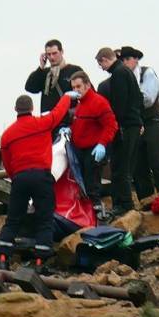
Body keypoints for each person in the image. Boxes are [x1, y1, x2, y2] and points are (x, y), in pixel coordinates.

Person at [0, 90, 80, 271]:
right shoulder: (42, 123)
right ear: (32, 108)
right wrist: (66, 97)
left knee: (13, 220)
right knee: (44, 219)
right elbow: (58, 112)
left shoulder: (7, 135)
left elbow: (6, 161)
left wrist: (15, 178)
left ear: (15, 109)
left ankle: (3, 258)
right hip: (41, 177)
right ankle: (40, 262)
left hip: (19, 177)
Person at [95, 47, 143, 217]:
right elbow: (137, 99)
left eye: (100, 64)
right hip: (132, 125)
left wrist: (115, 125)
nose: (101, 68)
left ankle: (124, 205)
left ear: (105, 60)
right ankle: (124, 203)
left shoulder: (118, 75)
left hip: (125, 127)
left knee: (120, 167)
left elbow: (119, 104)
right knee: (123, 166)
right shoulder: (125, 72)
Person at [65, 71, 118, 221]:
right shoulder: (80, 105)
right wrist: (70, 129)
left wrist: (102, 144)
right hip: (80, 149)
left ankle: (98, 217)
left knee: (92, 185)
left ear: (87, 85)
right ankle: (88, 216)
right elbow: (81, 124)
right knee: (83, 184)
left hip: (93, 150)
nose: (76, 90)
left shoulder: (99, 102)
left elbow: (111, 125)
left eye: (79, 86)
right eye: (73, 87)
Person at [119, 46, 159, 199]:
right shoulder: (123, 78)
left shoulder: (147, 73)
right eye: (123, 60)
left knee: (156, 161)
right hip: (135, 125)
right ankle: (146, 200)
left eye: (128, 59)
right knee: (139, 167)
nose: (125, 63)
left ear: (136, 60)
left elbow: (148, 99)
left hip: (152, 122)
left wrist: (129, 97)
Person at [24, 39, 83, 135]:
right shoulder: (44, 73)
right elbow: (30, 87)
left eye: (54, 53)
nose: (52, 57)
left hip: (68, 123)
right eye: (48, 54)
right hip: (49, 125)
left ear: (62, 52)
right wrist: (41, 67)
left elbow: (88, 93)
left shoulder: (74, 70)